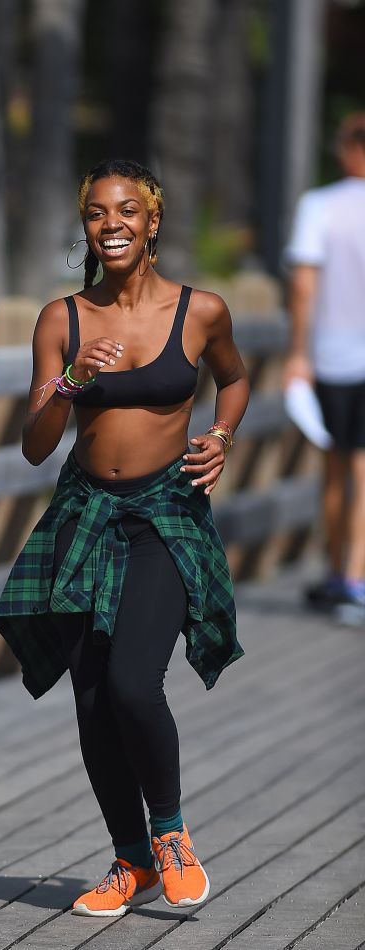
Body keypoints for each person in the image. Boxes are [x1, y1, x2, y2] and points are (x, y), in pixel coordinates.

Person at [0, 159, 248, 918]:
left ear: (153, 221)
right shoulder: (61, 319)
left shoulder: (201, 311)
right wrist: (69, 381)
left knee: (136, 684)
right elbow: (36, 444)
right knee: (95, 701)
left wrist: (224, 434)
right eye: (99, 213)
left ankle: (169, 833)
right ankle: (129, 860)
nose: (112, 225)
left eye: (127, 211)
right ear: (86, 227)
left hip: (165, 514)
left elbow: (233, 377)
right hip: (84, 516)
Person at [284, 113, 365, 625]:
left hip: (334, 354)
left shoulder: (319, 205)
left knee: (335, 466)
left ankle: (341, 573)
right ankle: (355, 579)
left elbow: (303, 286)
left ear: (346, 149)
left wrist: (298, 353)